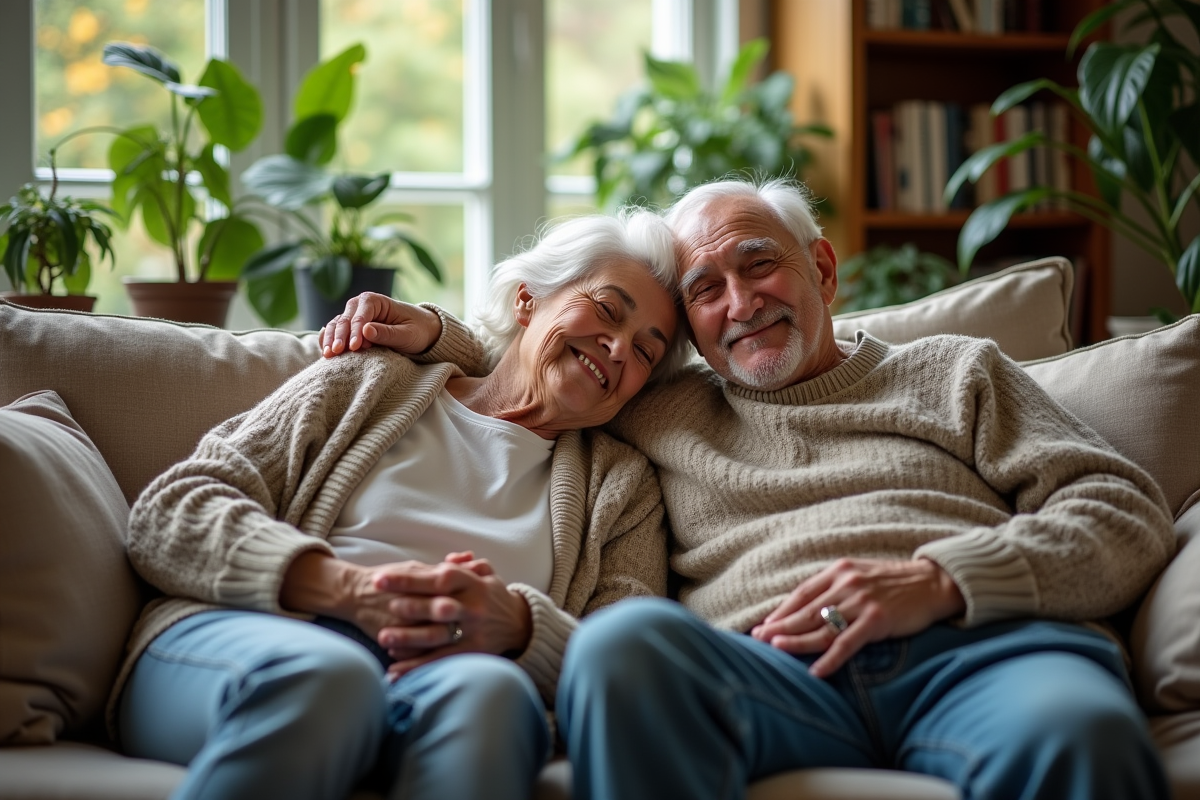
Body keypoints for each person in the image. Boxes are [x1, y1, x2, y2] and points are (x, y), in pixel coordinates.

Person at [320, 178, 1178, 800]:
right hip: (769, 680)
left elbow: (1124, 510)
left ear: (824, 269)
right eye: (704, 289)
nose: (740, 302)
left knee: (1085, 734)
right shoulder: (662, 407)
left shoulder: (955, 371)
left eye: (759, 265)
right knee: (623, 644)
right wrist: (442, 332)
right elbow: (548, 363)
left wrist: (942, 581)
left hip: (983, 658)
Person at [114, 209, 690, 800]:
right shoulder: (370, 381)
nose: (619, 347)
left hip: (440, 682)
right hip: (257, 640)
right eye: (606, 309)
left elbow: (623, 673)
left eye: (646, 352)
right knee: (329, 679)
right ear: (527, 301)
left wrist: (520, 628)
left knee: (494, 697)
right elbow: (173, 509)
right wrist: (348, 591)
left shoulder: (623, 490)